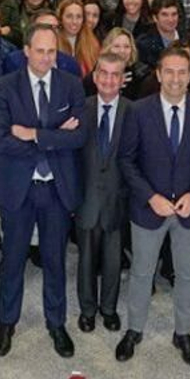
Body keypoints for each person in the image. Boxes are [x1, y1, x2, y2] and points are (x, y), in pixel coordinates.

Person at [114, 47, 190, 367]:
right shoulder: (137, 110)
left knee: (188, 275)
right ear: (158, 74)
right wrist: (150, 197)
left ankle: (183, 333)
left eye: (182, 72)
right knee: (141, 272)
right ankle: (134, 330)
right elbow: (127, 161)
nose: (175, 79)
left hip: (189, 210)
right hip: (150, 209)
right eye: (169, 72)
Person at [0, 24, 87, 359]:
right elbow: (1, 141)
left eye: (51, 51)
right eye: (40, 50)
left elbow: (78, 137)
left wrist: (33, 134)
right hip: (18, 186)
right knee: (13, 259)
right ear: (26, 51)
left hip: (56, 189)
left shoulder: (71, 85)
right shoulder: (5, 86)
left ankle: (56, 323)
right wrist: (54, 135)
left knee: (54, 260)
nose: (46, 58)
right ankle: (6, 322)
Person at [75, 51, 131, 336]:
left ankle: (108, 309)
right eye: (103, 74)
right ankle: (87, 310)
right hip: (86, 198)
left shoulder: (133, 111)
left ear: (122, 80)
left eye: (115, 75)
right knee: (85, 259)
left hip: (117, 200)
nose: (109, 80)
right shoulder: (80, 109)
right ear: (95, 77)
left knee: (113, 260)